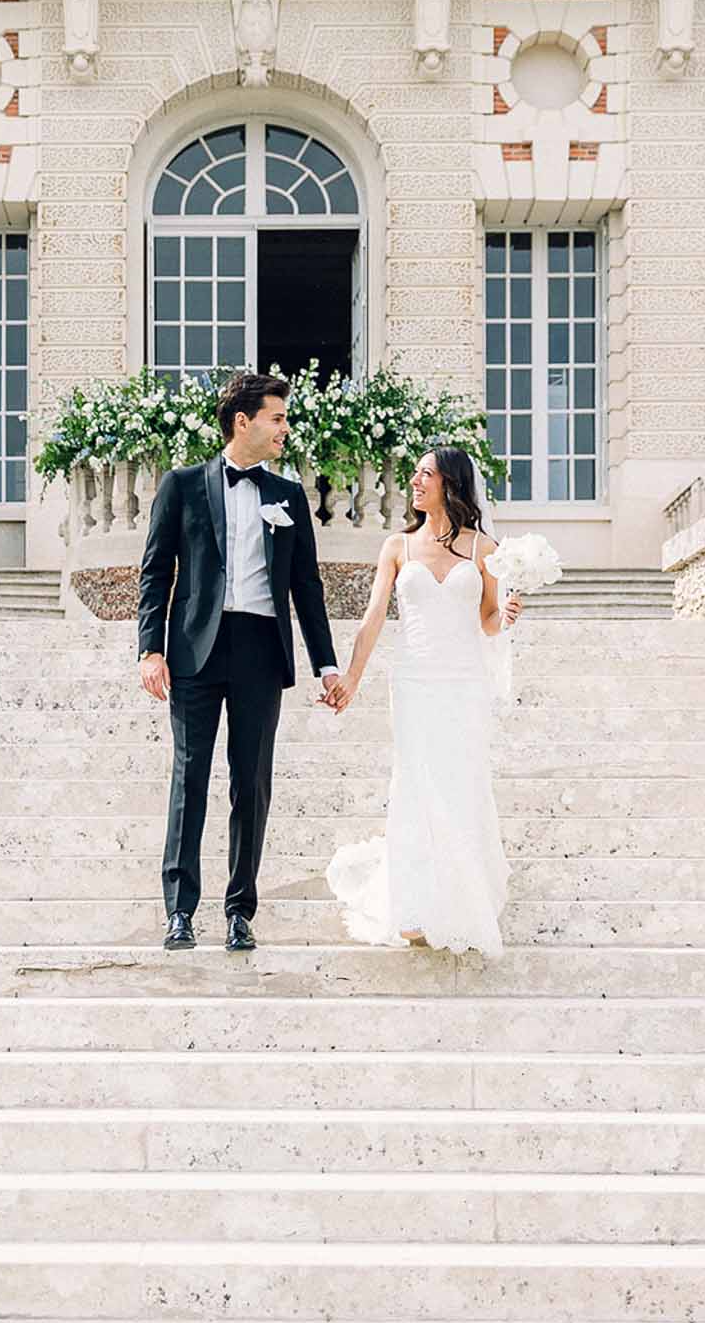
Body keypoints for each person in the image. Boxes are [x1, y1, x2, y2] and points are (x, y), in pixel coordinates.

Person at [138, 369, 342, 953]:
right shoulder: (181, 486)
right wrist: (151, 649)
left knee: (251, 784)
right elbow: (156, 574)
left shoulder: (289, 495)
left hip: (260, 649)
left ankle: (239, 910)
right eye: (277, 418)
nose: (286, 428)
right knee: (190, 780)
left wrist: (327, 664)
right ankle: (179, 910)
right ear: (243, 421)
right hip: (195, 652)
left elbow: (307, 587)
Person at [324, 447, 521, 957]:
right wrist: (351, 677)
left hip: (463, 682)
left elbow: (488, 621)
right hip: (413, 681)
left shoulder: (484, 548)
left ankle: (460, 902)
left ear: (450, 484)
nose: (414, 481)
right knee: (416, 780)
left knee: (460, 781)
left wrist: (508, 614)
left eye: (424, 474)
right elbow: (372, 620)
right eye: (415, 473)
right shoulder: (398, 546)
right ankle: (412, 905)